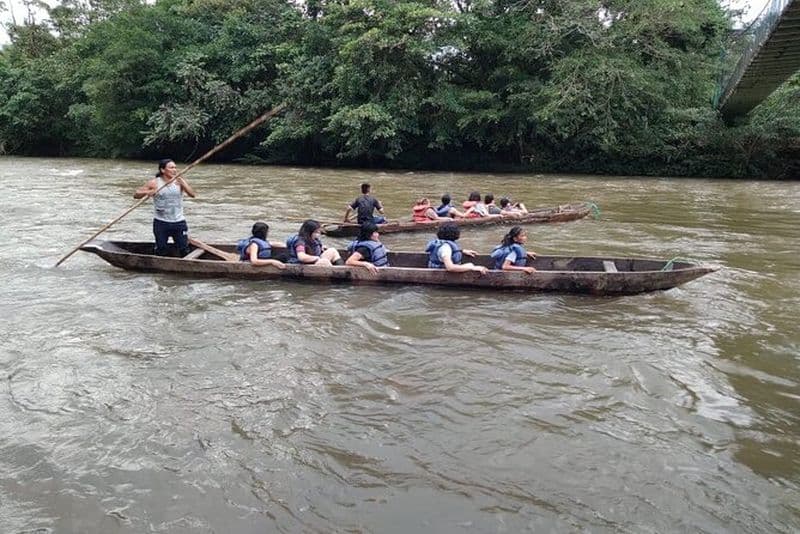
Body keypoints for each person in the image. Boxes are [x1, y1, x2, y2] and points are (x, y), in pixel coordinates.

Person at [134, 158, 196, 256]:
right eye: (171, 168)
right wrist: (148, 192)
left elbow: (192, 194)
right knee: (161, 249)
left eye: (175, 167)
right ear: (162, 170)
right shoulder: (154, 183)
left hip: (179, 221)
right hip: (161, 222)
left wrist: (183, 183)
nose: (174, 170)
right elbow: (136, 194)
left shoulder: (179, 181)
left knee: (184, 249)